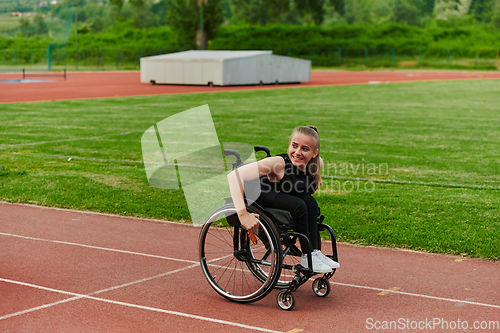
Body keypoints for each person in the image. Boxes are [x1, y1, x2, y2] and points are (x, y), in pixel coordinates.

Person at [227, 126, 340, 273]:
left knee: (310, 203)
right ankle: (307, 256)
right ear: (289, 144)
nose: (298, 152)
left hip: (282, 195)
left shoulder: (316, 164)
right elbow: (233, 176)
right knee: (299, 205)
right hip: (260, 195)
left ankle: (314, 253)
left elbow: (305, 191)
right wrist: (243, 215)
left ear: (314, 153)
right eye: (294, 146)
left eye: (305, 149)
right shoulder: (278, 163)